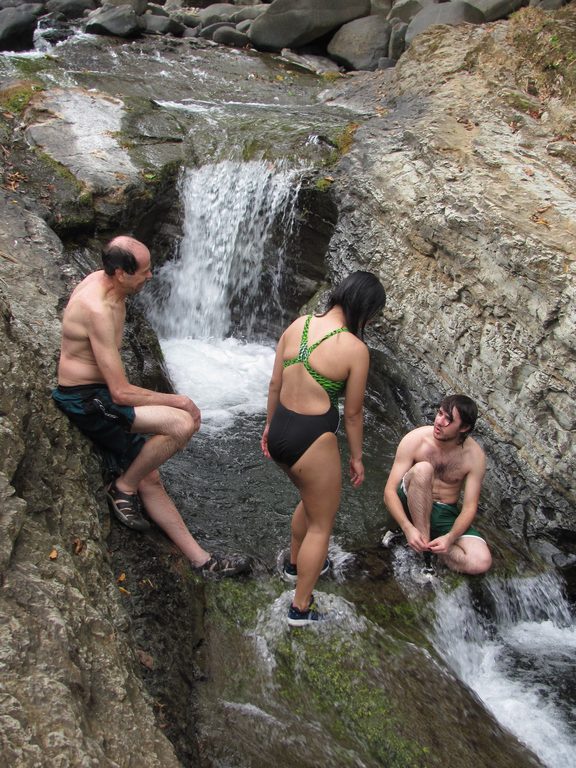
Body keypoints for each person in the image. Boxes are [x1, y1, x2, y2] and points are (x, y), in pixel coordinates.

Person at [52, 235, 249, 577]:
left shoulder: (113, 290)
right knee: (181, 423)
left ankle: (202, 561)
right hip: (86, 399)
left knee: (151, 477)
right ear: (118, 272)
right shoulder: (97, 308)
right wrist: (181, 400)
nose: (151, 276)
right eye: (144, 271)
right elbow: (121, 393)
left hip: (101, 393)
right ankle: (122, 488)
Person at [261, 271, 387, 626]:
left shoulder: (298, 324)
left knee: (309, 498)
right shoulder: (355, 349)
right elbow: (354, 413)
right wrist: (358, 458)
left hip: (281, 428)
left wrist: (269, 427)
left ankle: (294, 564)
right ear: (365, 309)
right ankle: (301, 607)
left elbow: (274, 383)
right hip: (312, 436)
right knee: (322, 523)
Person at [383, 394, 492, 576]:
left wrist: (450, 538)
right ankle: (423, 551)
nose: (439, 421)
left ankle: (429, 546)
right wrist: (406, 527)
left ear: (464, 428)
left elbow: (469, 507)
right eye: (440, 413)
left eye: (448, 419)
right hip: (410, 499)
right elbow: (389, 492)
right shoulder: (415, 440)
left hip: (444, 512)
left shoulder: (475, 457)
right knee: (424, 470)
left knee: (481, 562)